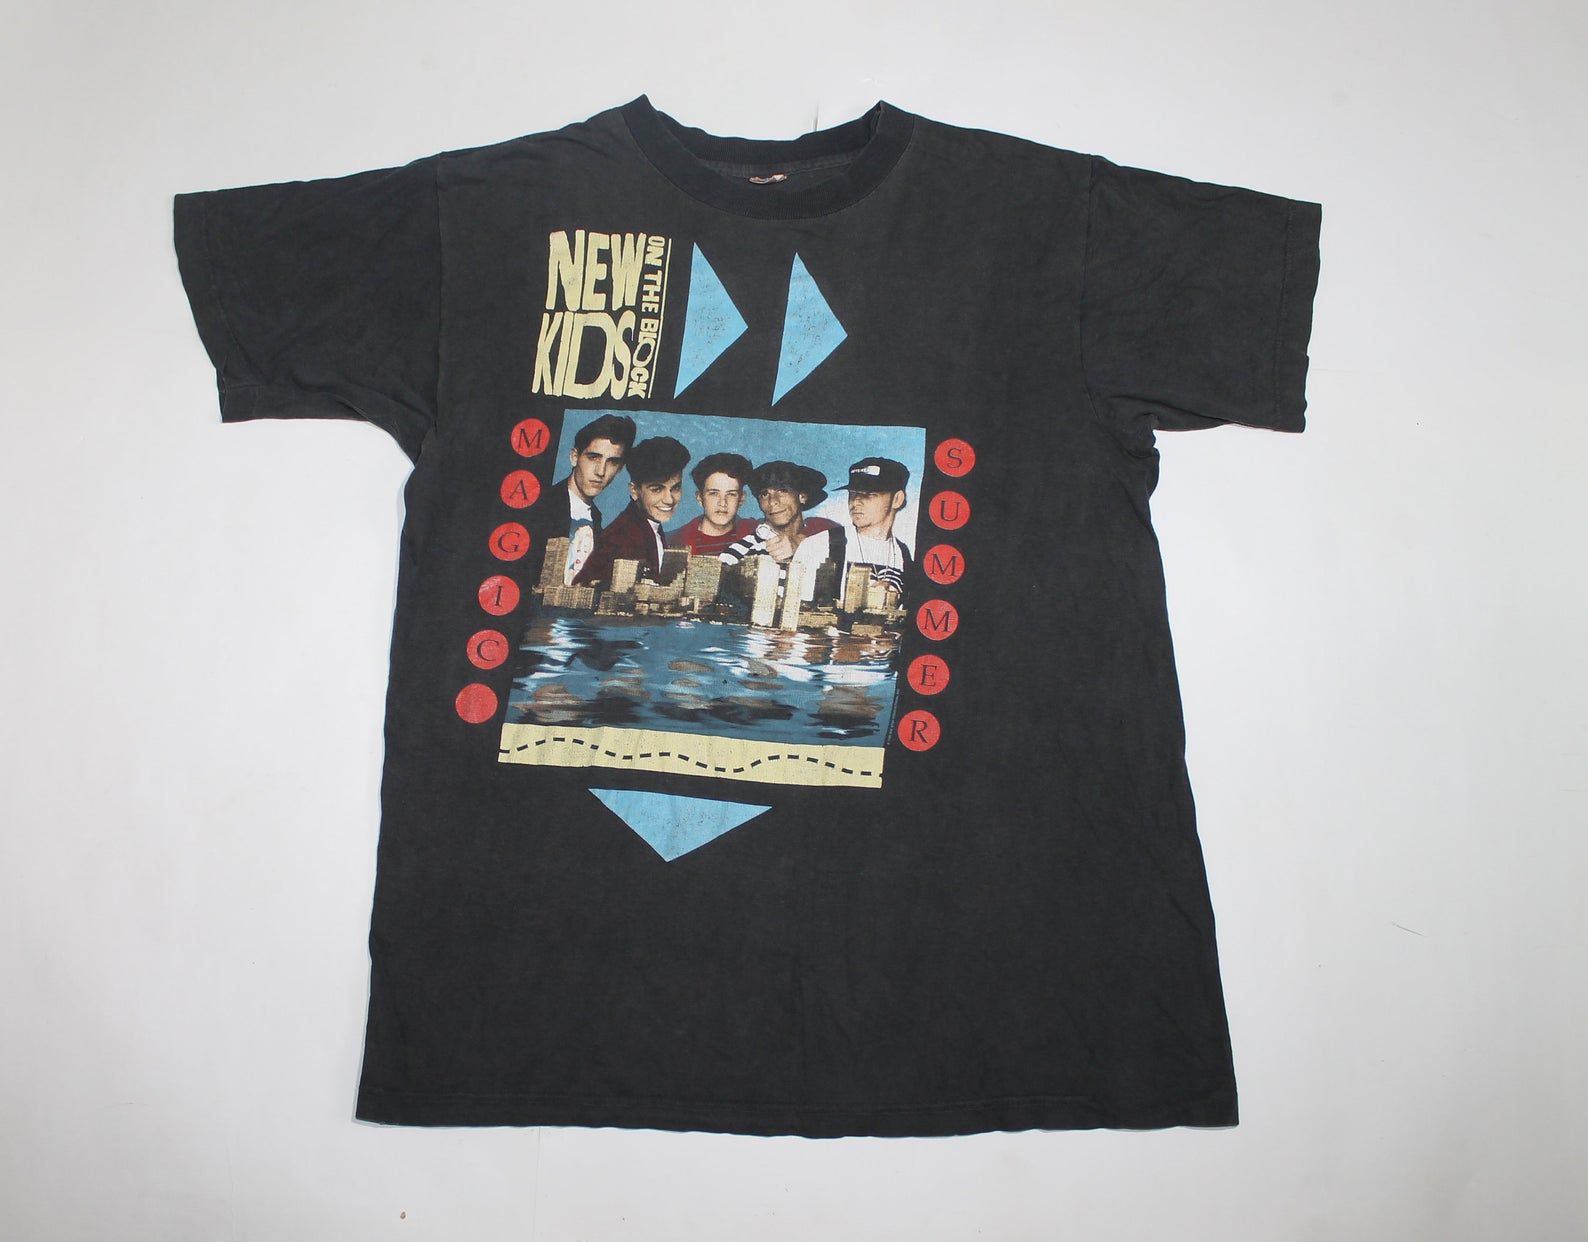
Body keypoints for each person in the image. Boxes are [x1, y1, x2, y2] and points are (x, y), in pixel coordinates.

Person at [790, 457, 915, 603]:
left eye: (869, 494)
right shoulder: (819, 546)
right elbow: (795, 609)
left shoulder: (903, 554)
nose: (855, 502)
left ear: (897, 499)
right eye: (853, 493)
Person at [573, 437, 690, 586]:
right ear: (634, 491)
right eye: (657, 489)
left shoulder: (650, 524)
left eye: (675, 488)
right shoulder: (620, 537)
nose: (669, 500)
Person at [536, 413, 636, 584]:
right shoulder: (543, 505)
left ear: (620, 468)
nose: (601, 471)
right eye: (593, 457)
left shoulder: (596, 519)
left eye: (612, 462)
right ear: (574, 457)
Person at [718, 460, 837, 565]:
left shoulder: (822, 536)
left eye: (782, 490)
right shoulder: (739, 553)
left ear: (802, 497)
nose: (772, 501)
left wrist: (800, 544)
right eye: (764, 494)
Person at [666, 452, 757, 557]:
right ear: (700, 497)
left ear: (741, 498)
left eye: (731, 494)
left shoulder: (757, 534)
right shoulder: (672, 541)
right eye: (714, 493)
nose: (722, 503)